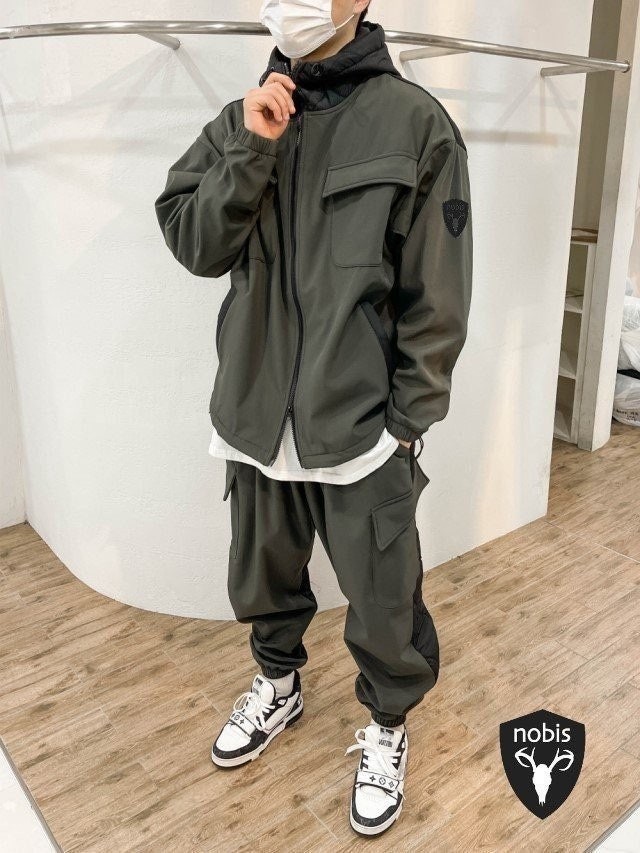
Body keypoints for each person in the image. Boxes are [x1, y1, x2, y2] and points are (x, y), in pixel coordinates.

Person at [155, 0, 472, 837]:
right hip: (255, 418)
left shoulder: (416, 125)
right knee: (262, 576)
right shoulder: (244, 118)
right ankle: (279, 684)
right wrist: (252, 151)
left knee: (384, 600)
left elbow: (437, 295)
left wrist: (408, 419)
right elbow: (193, 243)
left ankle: (388, 724)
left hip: (362, 430)